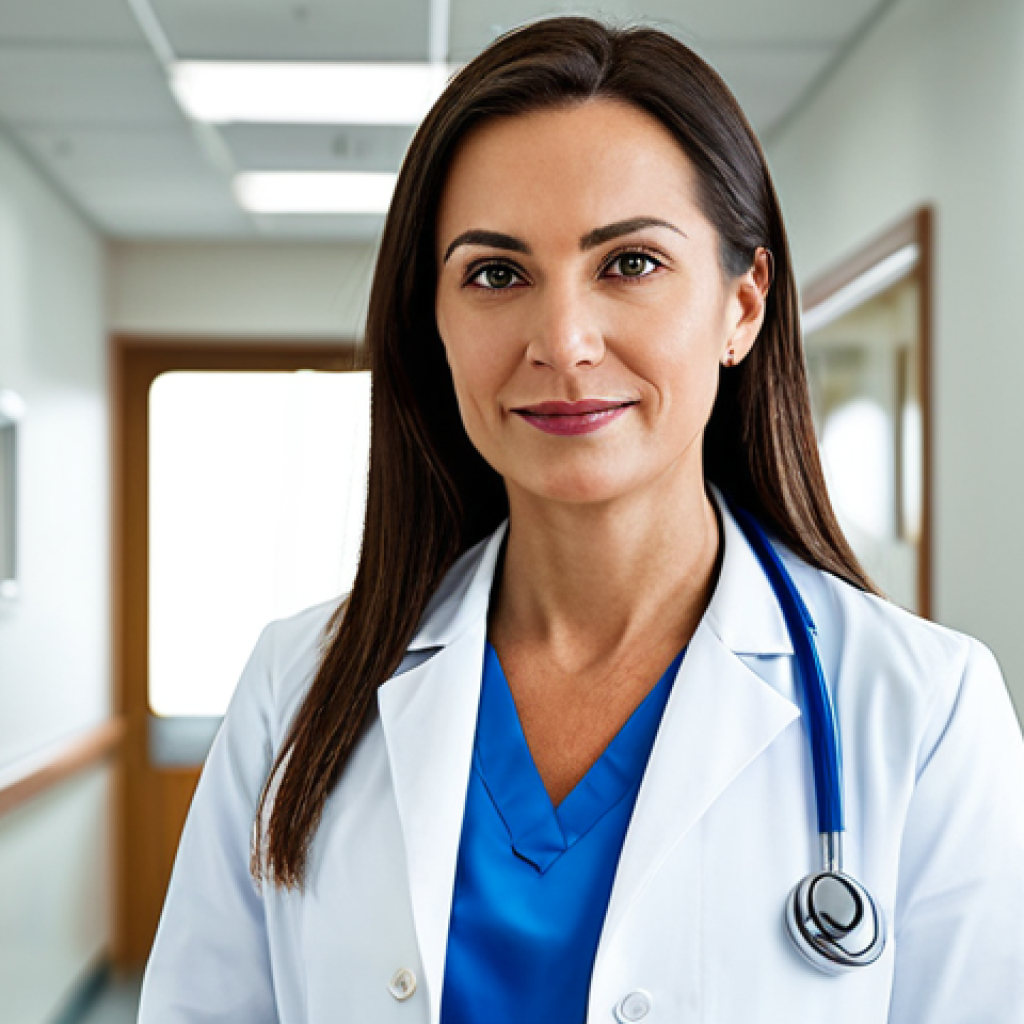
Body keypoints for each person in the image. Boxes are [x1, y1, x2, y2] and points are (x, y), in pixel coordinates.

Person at [138, 16, 1024, 1024]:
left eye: (629, 264)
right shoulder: (293, 688)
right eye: (495, 273)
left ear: (742, 304)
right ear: (433, 322)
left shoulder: (923, 712)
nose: (561, 342)